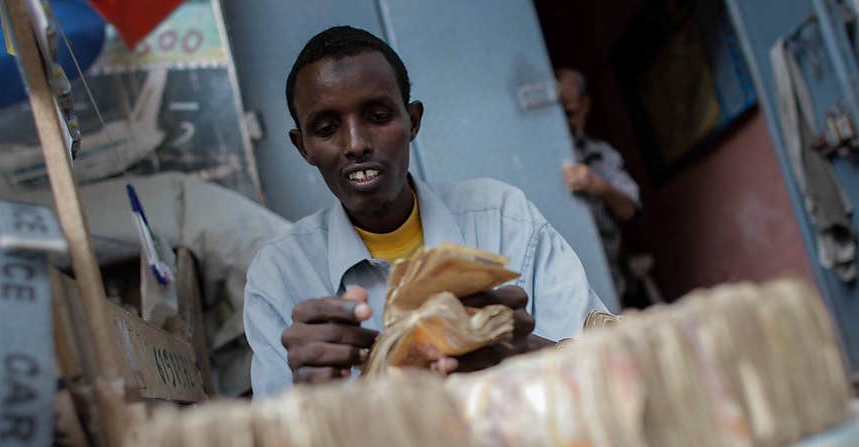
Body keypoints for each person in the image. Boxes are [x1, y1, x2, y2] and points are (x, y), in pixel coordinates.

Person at [244, 26, 606, 397]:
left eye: (378, 116)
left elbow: (609, 367)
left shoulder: (503, 218)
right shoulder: (281, 275)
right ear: (302, 146)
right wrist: (308, 399)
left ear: (413, 121)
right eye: (326, 128)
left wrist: (518, 353)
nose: (355, 144)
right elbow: (275, 444)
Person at [557, 68, 642, 302]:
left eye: (571, 113)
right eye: (558, 114)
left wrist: (599, 186)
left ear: (585, 107)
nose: (564, 123)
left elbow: (630, 210)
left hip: (610, 287)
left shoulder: (601, 155)